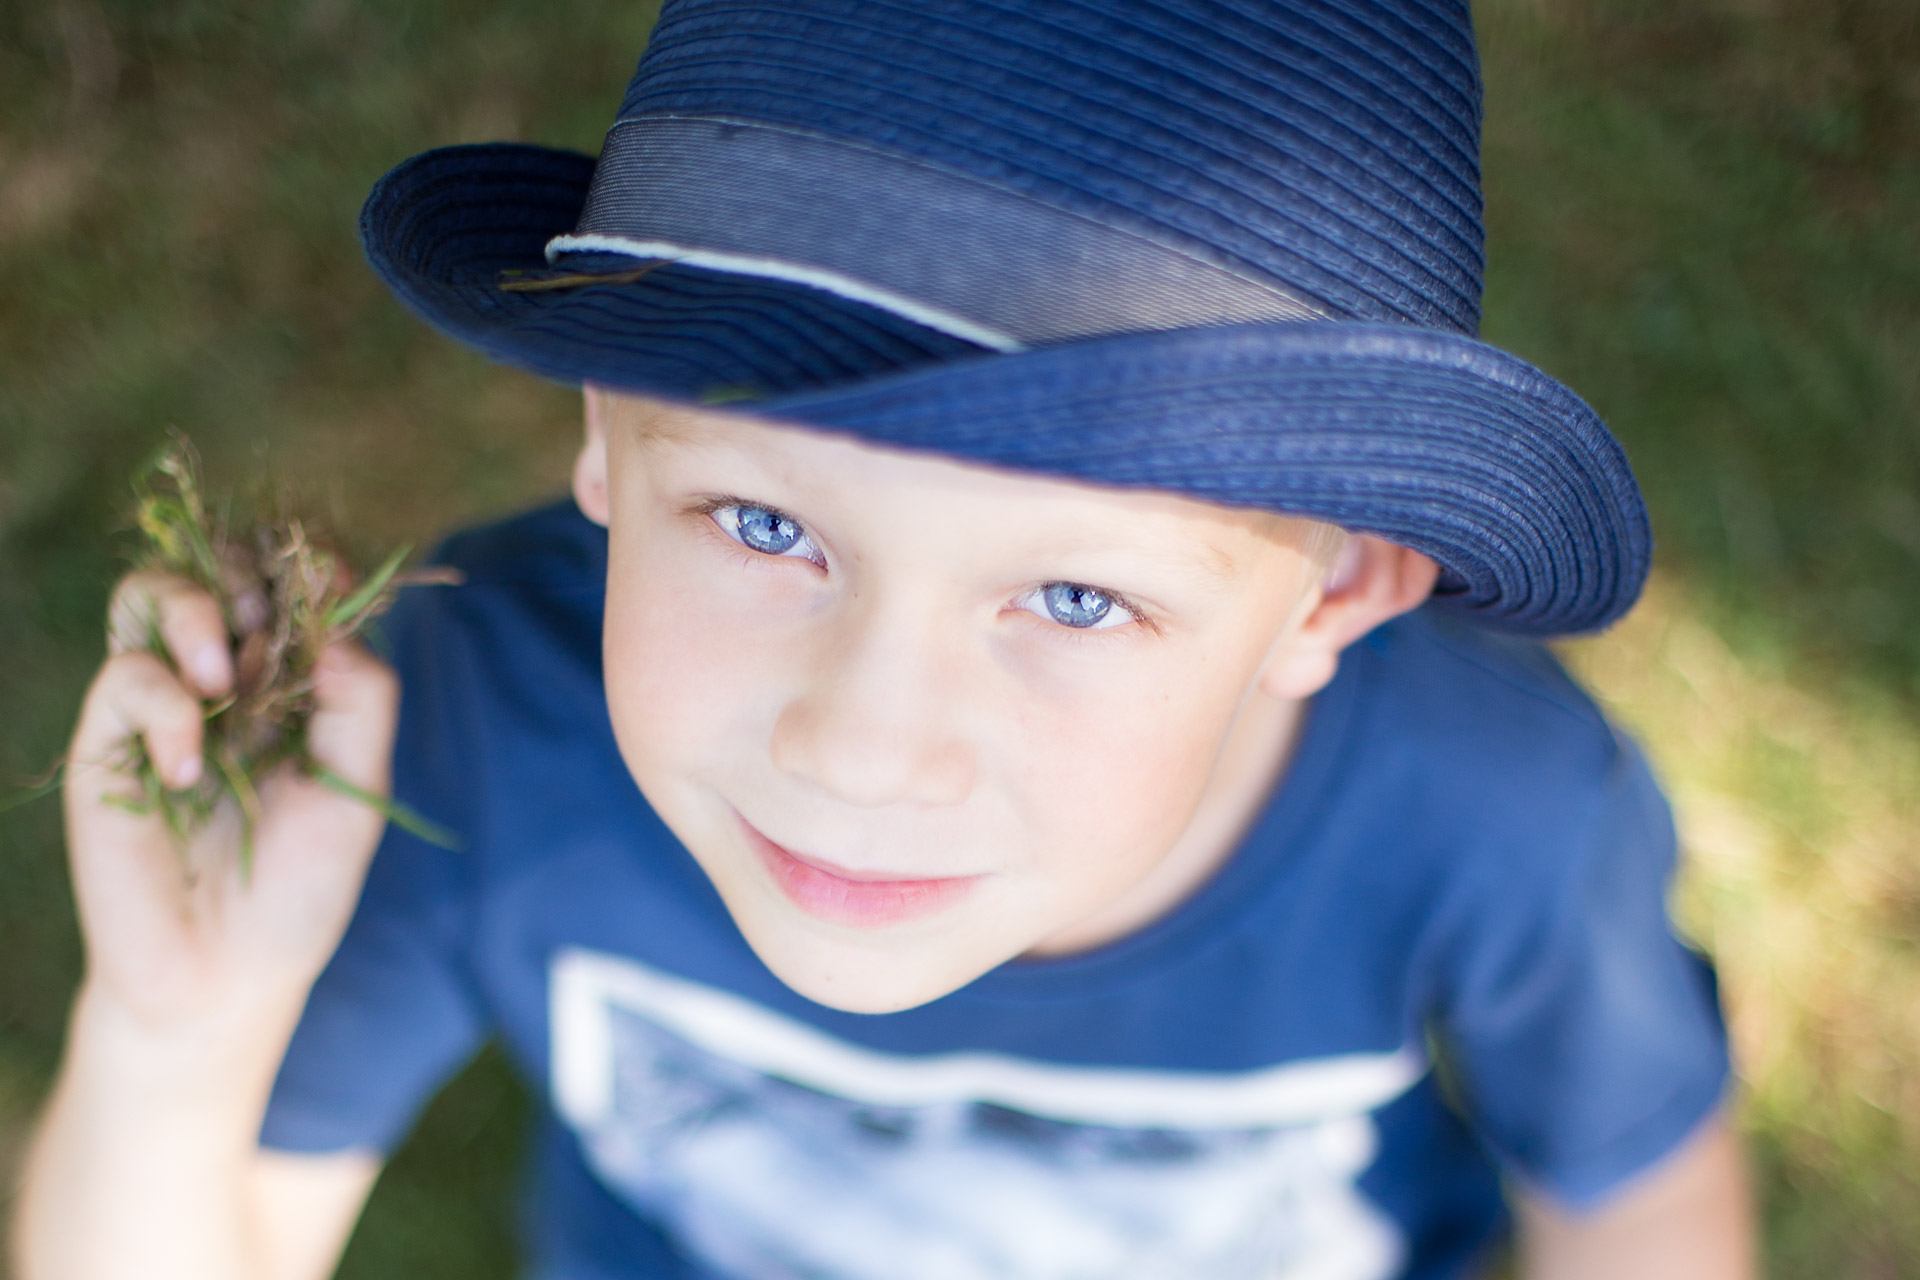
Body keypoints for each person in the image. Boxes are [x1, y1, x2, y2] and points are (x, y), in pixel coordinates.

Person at [14, 1, 1757, 1277]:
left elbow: (1636, 1201)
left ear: (1337, 589)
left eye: (1076, 597)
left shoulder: (1495, 809)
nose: (859, 748)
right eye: (767, 526)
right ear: (610, 431)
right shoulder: (476, 717)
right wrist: (175, 1042)